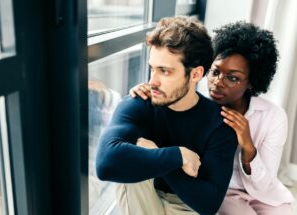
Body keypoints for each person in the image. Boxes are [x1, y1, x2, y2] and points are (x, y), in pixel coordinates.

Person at [130, 21, 295, 214]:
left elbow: (266, 183)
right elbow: (166, 96)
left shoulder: (272, 116)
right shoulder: (193, 99)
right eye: (215, 72)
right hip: (223, 193)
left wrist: (248, 148)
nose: (218, 83)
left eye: (232, 78)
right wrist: (143, 92)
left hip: (263, 192)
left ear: (252, 82)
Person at [96, 16, 238, 215]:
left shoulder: (220, 124)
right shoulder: (139, 102)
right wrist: (178, 155)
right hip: (143, 195)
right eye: (152, 69)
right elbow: (105, 165)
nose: (152, 81)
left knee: (141, 150)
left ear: (195, 74)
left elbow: (209, 204)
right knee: (139, 147)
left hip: (186, 205)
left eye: (164, 71)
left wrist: (166, 162)